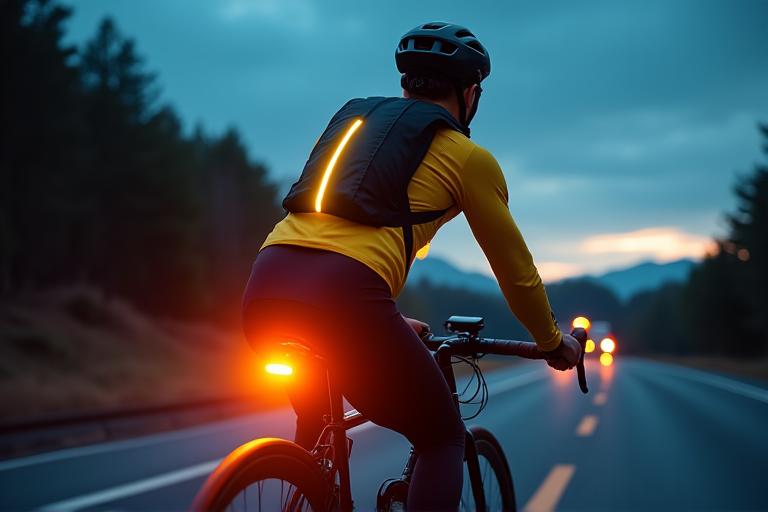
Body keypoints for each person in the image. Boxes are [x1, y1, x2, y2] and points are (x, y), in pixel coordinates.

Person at [242, 22, 582, 510]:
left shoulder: (353, 125)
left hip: (267, 282)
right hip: (348, 297)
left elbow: (332, 232)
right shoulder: (468, 158)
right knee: (441, 437)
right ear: (470, 94)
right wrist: (553, 342)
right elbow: (516, 272)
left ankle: (304, 484)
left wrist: (388, 318)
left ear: (406, 83)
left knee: (314, 433)